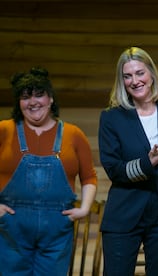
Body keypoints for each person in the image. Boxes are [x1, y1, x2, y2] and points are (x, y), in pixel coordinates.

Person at [98, 46, 158, 276]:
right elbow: (115, 170)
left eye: (140, 73)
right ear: (122, 81)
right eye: (127, 76)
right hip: (123, 215)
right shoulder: (112, 117)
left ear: (151, 74)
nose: (135, 80)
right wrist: (148, 162)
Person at [0, 67, 98, 275]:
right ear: (19, 103)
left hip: (57, 228)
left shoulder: (73, 134)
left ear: (51, 98)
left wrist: (85, 208)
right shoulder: (4, 131)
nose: (32, 102)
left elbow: (89, 176)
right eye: (25, 97)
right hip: (11, 227)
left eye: (39, 95)